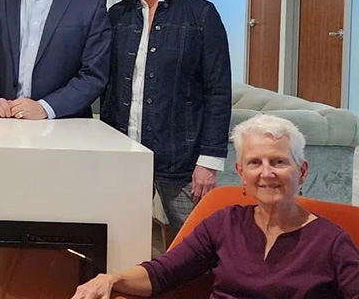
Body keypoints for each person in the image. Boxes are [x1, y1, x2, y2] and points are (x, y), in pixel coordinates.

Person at [71, 114, 359, 298]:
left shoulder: (331, 242)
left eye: (279, 162)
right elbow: (163, 272)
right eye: (255, 163)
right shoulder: (224, 223)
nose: (267, 173)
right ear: (241, 173)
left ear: (302, 171)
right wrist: (110, 279)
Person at [100, 0, 232, 236]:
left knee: (196, 243)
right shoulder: (116, 16)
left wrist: (209, 160)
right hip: (123, 151)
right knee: (121, 239)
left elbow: (218, 90)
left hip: (182, 157)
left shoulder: (201, 14)